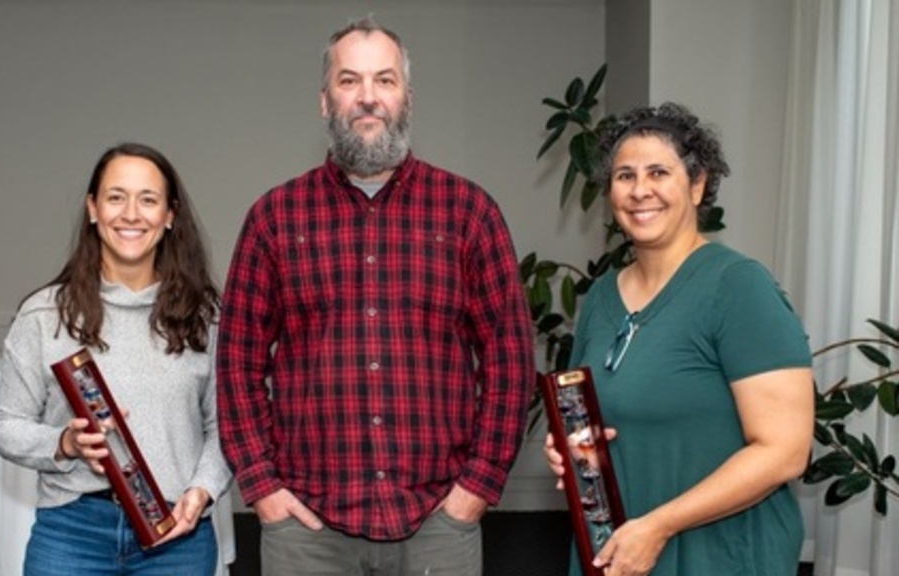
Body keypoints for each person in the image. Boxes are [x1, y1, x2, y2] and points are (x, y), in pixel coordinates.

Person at [217, 17, 535, 576]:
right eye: (349, 81)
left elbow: (510, 361)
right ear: (324, 100)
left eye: (384, 81)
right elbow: (237, 366)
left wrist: (476, 489)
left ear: (407, 98)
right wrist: (263, 490)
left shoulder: (468, 212)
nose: (368, 97)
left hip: (440, 521)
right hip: (306, 529)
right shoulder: (274, 218)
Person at [543, 102, 814, 576]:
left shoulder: (737, 288)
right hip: (620, 551)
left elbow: (786, 451)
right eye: (624, 176)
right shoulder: (603, 296)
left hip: (719, 554)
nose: (640, 190)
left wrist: (661, 525)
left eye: (658, 172)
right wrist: (571, 446)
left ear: (696, 184)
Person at [0, 142, 234, 575]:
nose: (131, 214)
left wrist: (203, 491)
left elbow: (226, 425)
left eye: (148, 199)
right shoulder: (44, 314)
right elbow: (6, 426)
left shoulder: (206, 317)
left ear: (170, 214)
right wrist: (63, 444)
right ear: (92, 208)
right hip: (72, 531)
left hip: (176, 533)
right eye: (116, 197)